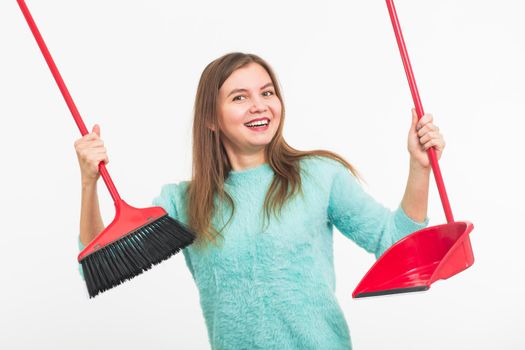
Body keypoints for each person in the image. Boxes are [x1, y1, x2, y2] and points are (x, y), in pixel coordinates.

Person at [75, 52, 445, 349]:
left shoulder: (319, 175)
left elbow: (396, 244)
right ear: (211, 119)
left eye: (267, 93)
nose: (260, 106)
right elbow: (97, 261)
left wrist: (419, 167)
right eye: (240, 97)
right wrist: (89, 182)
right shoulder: (183, 202)